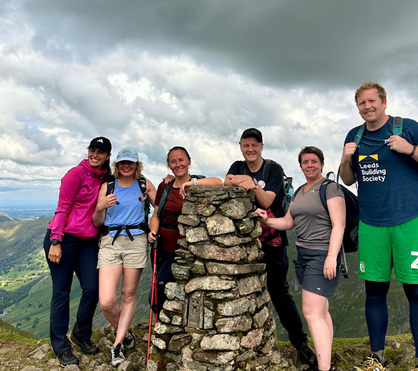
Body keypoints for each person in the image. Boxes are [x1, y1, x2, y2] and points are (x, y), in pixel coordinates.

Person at [340, 82, 418, 371]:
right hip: (371, 224)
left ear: (384, 102)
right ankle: (375, 358)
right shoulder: (354, 136)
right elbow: (348, 179)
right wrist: (345, 160)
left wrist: (410, 149)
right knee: (374, 292)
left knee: (416, 293)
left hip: (410, 222)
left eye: (372, 101)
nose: (367, 107)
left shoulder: (409, 128)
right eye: (362, 103)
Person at [225, 128, 317, 369]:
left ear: (262, 147)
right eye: (246, 145)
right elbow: (226, 181)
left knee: (279, 293)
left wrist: (250, 184)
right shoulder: (237, 166)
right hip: (244, 242)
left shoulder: (273, 169)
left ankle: (300, 344)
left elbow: (267, 200)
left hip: (272, 240)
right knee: (243, 291)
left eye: (254, 145)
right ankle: (247, 343)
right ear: (241, 147)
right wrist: (240, 179)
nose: (250, 149)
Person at [256, 146, 345, 371]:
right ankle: (326, 360)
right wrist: (267, 221)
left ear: (322, 164)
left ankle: (323, 368)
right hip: (304, 257)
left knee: (311, 313)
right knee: (321, 312)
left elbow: (339, 225)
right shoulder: (299, 192)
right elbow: (288, 222)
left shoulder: (330, 188)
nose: (310, 165)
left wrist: (331, 257)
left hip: (322, 256)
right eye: (305, 162)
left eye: (314, 161)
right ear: (301, 166)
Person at [43, 136, 113, 367]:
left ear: (107, 156)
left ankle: (80, 335)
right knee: (61, 292)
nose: (95, 155)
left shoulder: (106, 179)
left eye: (100, 152)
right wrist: (56, 240)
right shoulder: (75, 174)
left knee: (92, 288)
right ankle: (61, 346)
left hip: (87, 242)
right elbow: (62, 209)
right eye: (92, 150)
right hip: (64, 238)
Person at [93, 147, 157, 368]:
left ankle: (118, 344)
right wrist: (100, 206)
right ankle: (126, 332)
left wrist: (154, 229)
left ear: (137, 164)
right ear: (117, 165)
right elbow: (97, 221)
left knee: (128, 294)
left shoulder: (144, 184)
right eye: (123, 163)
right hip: (110, 240)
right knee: (106, 301)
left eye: (130, 162)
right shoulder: (108, 187)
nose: (126, 166)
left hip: (136, 240)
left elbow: (160, 207)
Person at [147, 146, 222, 312]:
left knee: (158, 292)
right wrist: (153, 231)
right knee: (158, 293)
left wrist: (191, 184)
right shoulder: (164, 187)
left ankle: (165, 324)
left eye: (181, 160)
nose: (178, 164)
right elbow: (156, 215)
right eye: (173, 161)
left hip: (183, 250)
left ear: (189, 161)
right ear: (169, 165)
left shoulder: (197, 184)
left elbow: (219, 182)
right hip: (161, 247)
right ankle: (163, 324)